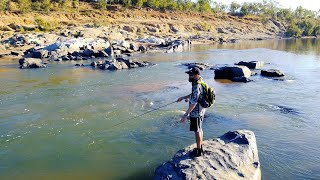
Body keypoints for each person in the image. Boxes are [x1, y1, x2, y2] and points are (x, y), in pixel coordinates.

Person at [177, 67, 206, 157]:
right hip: (201, 110)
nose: (189, 76)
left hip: (196, 111)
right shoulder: (199, 81)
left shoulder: (196, 85)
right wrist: (183, 97)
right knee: (199, 129)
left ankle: (198, 151)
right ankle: (200, 147)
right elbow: (194, 95)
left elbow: (193, 103)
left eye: (191, 75)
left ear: (197, 75)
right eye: (189, 74)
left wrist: (185, 115)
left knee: (197, 130)